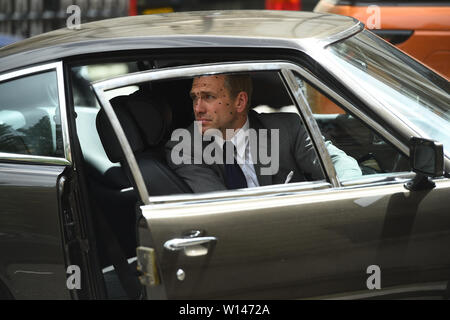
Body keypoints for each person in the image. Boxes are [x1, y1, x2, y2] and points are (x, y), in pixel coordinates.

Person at [165, 73, 362, 193]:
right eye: (194, 98)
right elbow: (222, 212)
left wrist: (353, 198)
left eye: (208, 97)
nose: (197, 108)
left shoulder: (288, 129)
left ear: (240, 102)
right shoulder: (186, 148)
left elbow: (339, 164)